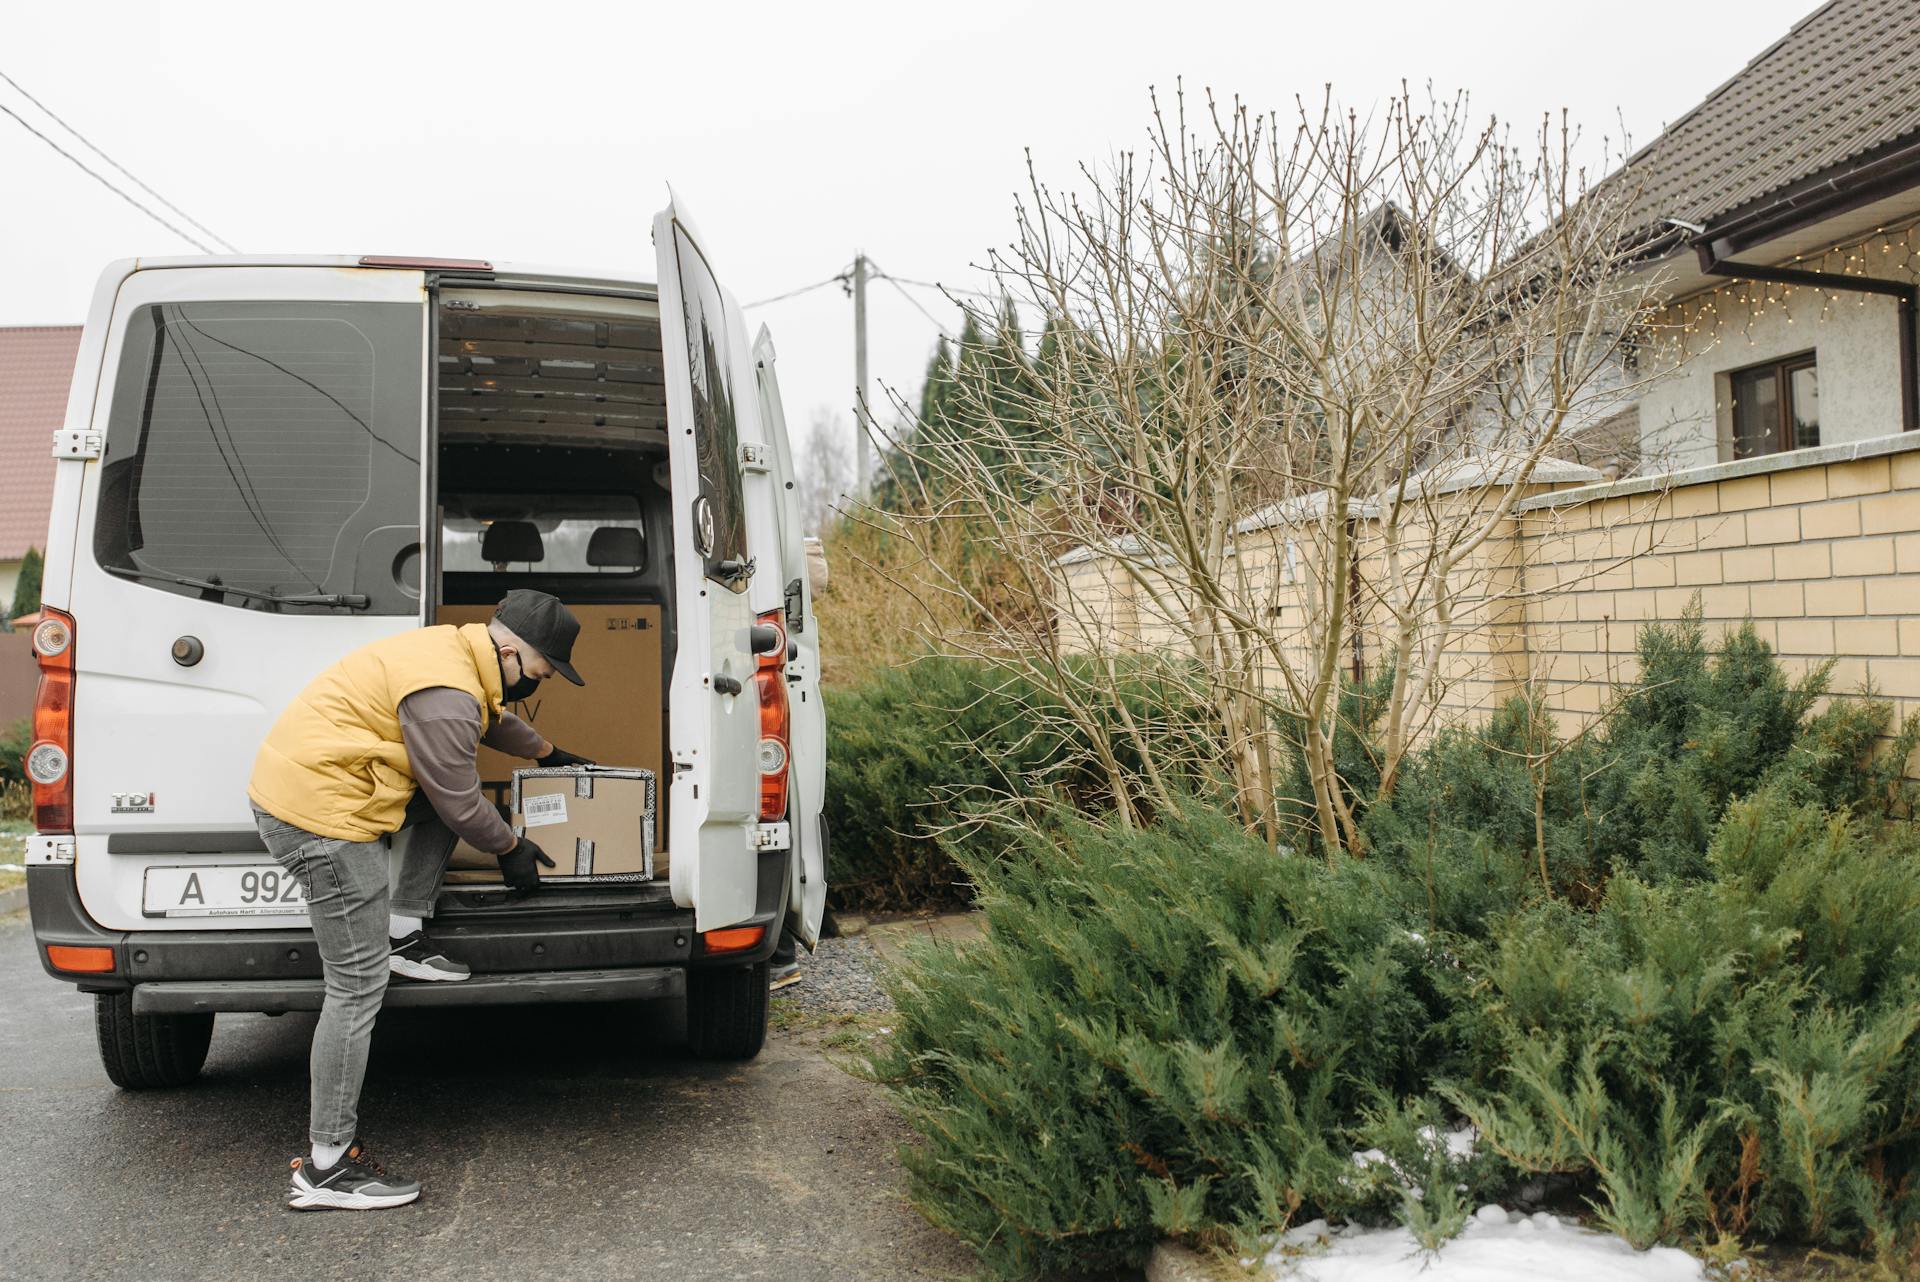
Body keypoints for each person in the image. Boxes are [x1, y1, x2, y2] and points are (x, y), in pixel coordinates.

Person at [247, 589, 591, 1211]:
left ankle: (401, 930)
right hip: (321, 817)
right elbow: (461, 799)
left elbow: (489, 722)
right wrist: (510, 847)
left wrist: (549, 753)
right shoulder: (450, 693)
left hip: (324, 782)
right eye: (540, 674)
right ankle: (327, 1166)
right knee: (355, 986)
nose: (538, 684)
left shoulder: (459, 653)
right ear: (511, 651)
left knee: (436, 797)